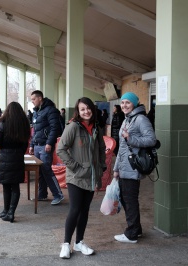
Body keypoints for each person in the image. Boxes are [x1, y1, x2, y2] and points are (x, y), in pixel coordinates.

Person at [57, 97, 106, 259]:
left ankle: (79, 243)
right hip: (76, 176)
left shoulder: (97, 127)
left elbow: (101, 149)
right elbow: (61, 149)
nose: (86, 111)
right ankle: (66, 244)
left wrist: (101, 168)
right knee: (75, 209)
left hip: (91, 176)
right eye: (82, 109)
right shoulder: (73, 127)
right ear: (78, 111)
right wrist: (75, 167)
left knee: (84, 210)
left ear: (92, 108)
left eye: (88, 108)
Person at [113, 92, 156, 244]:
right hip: (124, 167)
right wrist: (116, 168)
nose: (124, 105)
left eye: (128, 102)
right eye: (123, 102)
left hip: (133, 167)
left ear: (134, 104)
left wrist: (131, 138)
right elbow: (122, 148)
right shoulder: (127, 120)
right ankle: (136, 230)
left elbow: (151, 140)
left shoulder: (141, 119)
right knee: (126, 199)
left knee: (130, 200)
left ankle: (131, 234)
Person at [0, 102, 31, 223]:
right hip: (18, 157)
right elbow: (26, 144)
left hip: (4, 157)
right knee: (15, 186)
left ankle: (6, 211)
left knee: (6, 185)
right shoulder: (25, 125)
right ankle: (10, 212)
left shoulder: (3, 124)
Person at [28, 90, 64, 205]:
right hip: (37, 145)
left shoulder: (50, 110)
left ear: (40, 98)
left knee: (47, 170)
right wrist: (32, 145)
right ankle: (42, 194)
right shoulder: (36, 112)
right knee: (40, 171)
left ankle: (58, 195)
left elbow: (55, 128)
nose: (32, 101)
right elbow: (35, 130)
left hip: (45, 146)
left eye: (33, 99)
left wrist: (49, 143)